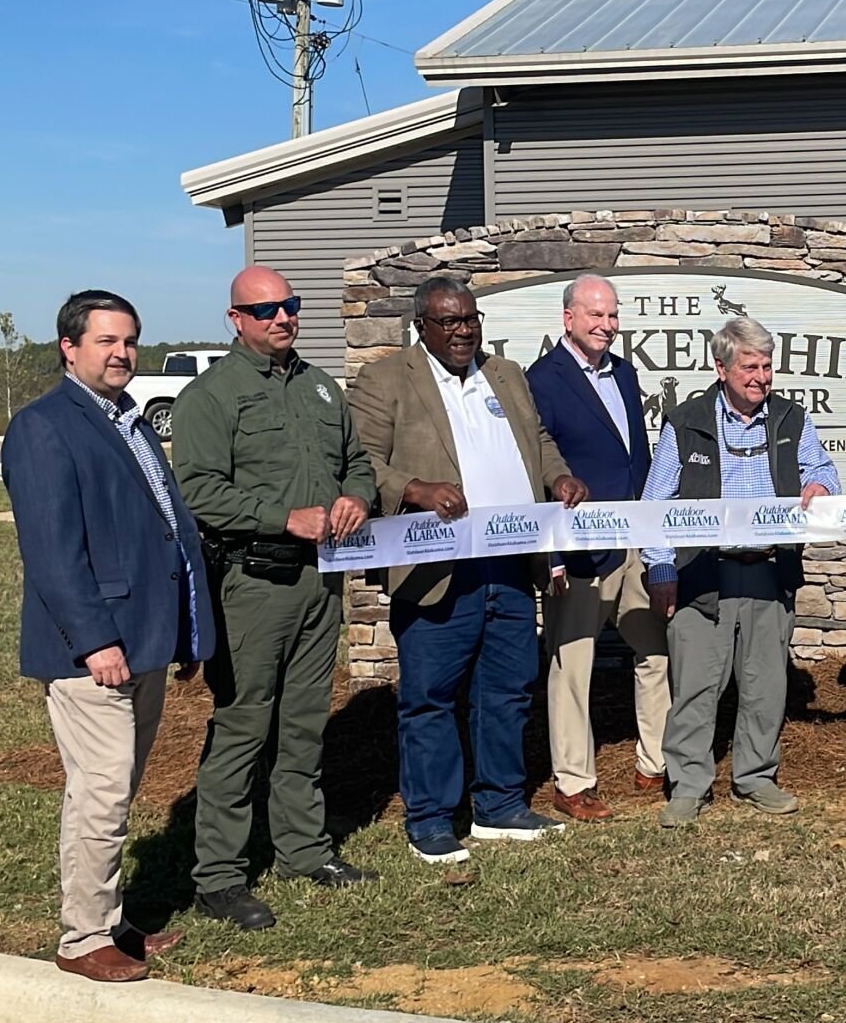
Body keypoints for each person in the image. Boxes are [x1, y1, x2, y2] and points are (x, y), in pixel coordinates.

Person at [3, 290, 214, 982]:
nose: (122, 353)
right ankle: (82, 938)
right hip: (94, 650)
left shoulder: (129, 420)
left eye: (130, 340)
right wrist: (96, 640)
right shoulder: (43, 427)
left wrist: (185, 628)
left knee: (118, 788)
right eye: (106, 341)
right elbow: (53, 552)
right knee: (99, 791)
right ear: (70, 347)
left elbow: (167, 529)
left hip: (146, 638)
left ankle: (112, 920)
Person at [348, 275, 589, 863]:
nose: (463, 330)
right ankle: (431, 819)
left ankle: (500, 805)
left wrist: (556, 476)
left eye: (470, 319)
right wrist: (414, 488)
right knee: (430, 698)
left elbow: (537, 439)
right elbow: (359, 463)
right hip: (437, 566)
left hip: (508, 560)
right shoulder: (385, 380)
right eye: (449, 321)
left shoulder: (505, 374)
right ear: (421, 326)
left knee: (507, 689)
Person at [173, 265, 377, 929]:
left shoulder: (319, 387)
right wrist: (279, 516)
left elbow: (358, 462)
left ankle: (302, 850)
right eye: (265, 310)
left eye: (289, 305)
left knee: (302, 725)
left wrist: (356, 496)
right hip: (254, 585)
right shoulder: (212, 396)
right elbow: (198, 490)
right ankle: (219, 878)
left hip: (320, 582)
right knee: (242, 728)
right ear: (236, 319)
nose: (283, 318)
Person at [643, 317, 841, 828]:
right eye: (749, 366)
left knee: (765, 685)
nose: (761, 376)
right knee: (695, 687)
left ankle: (756, 777)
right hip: (701, 573)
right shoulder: (684, 422)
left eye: (767, 366)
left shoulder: (790, 419)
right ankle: (688, 784)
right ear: (721, 368)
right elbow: (655, 502)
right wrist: (660, 565)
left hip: (769, 572)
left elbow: (821, 469)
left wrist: (821, 486)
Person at [526, 273, 669, 821]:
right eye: (595, 315)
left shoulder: (627, 373)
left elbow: (637, 459)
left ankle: (653, 764)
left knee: (655, 651)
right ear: (568, 319)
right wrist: (552, 554)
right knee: (571, 668)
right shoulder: (544, 379)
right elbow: (538, 466)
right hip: (579, 551)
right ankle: (572, 781)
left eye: (612, 315)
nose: (606, 325)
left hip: (634, 543)